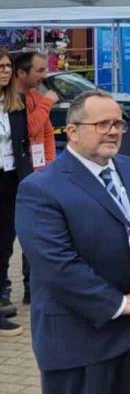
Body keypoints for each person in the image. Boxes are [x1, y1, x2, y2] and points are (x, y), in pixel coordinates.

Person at [15, 90, 130, 393]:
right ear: (72, 132)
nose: (114, 131)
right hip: (79, 340)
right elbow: (57, 265)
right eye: (102, 124)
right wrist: (120, 304)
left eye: (119, 124)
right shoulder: (40, 188)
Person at [7, 48, 57, 310]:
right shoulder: (14, 100)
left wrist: (49, 167)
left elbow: (46, 134)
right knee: (9, 234)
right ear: (21, 72)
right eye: (39, 70)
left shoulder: (36, 96)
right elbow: (30, 129)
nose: (44, 75)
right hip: (15, 177)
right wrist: (49, 102)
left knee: (36, 234)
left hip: (38, 175)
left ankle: (32, 287)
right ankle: (6, 291)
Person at [0, 48, 31, 333]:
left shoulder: (16, 102)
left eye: (8, 66)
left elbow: (23, 145)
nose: (6, 70)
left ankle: (1, 299)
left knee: (6, 243)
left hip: (11, 180)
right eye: (1, 66)